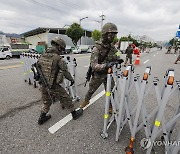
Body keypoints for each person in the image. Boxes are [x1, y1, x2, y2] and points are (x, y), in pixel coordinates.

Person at [37, 37, 83, 125]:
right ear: (58, 46)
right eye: (61, 48)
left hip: (43, 84)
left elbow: (38, 67)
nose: (62, 50)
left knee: (46, 101)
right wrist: (71, 80)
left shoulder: (42, 55)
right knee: (66, 98)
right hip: (53, 85)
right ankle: (74, 114)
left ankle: (42, 118)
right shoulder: (58, 58)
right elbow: (65, 72)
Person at [79, 22, 124, 111]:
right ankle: (86, 100)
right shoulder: (97, 48)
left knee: (112, 91)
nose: (113, 37)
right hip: (98, 74)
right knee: (91, 90)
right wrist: (106, 65)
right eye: (111, 35)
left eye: (114, 35)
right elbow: (94, 65)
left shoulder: (112, 47)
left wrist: (118, 59)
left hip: (109, 74)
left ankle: (111, 106)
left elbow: (117, 54)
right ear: (105, 34)